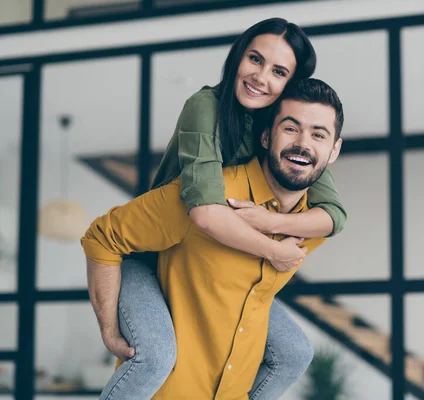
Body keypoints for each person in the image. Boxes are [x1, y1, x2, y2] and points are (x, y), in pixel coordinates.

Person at [85, 18, 347, 400]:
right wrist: (274, 248)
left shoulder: (288, 134)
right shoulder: (206, 107)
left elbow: (334, 214)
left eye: (278, 71)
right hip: (150, 252)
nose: (260, 76)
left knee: (294, 352)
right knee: (156, 356)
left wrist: (269, 219)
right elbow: (205, 212)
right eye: (254, 59)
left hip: (208, 248)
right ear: (237, 55)